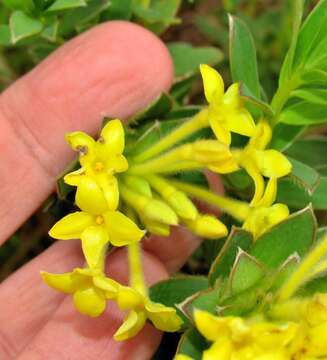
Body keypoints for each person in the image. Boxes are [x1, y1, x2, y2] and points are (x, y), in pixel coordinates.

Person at [0, 21, 216, 359]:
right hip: (105, 185)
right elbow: (104, 212)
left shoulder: (107, 200)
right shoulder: (102, 193)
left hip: (111, 183)